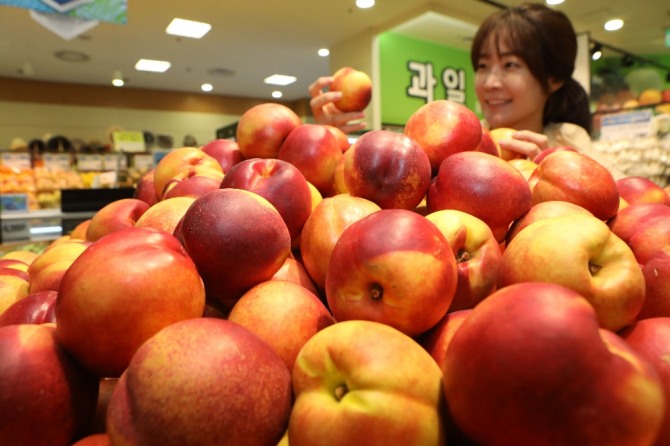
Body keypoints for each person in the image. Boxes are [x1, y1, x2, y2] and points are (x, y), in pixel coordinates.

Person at [309, 3, 619, 174]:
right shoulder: (452, 141)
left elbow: (622, 204)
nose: (490, 82)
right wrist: (327, 142)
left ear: (553, 79)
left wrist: (552, 177)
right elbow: (385, 181)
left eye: (510, 65)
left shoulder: (569, 141)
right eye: (483, 66)